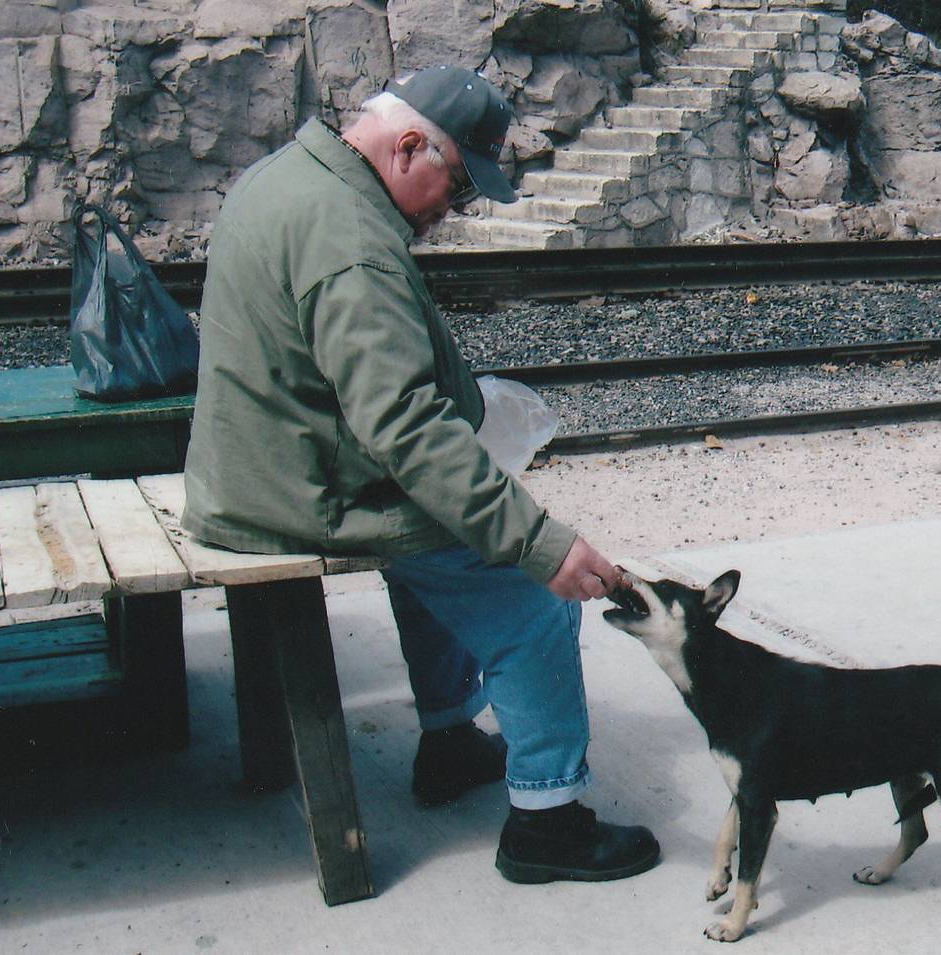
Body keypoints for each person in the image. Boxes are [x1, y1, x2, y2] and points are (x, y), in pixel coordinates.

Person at [182, 66, 659, 884]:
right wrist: (541, 543)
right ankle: (550, 822)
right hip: (309, 489)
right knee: (533, 601)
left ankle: (446, 740)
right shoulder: (355, 245)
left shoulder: (291, 176)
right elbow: (403, 426)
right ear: (408, 147)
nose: (454, 209)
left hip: (269, 463)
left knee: (442, 544)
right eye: (459, 185)